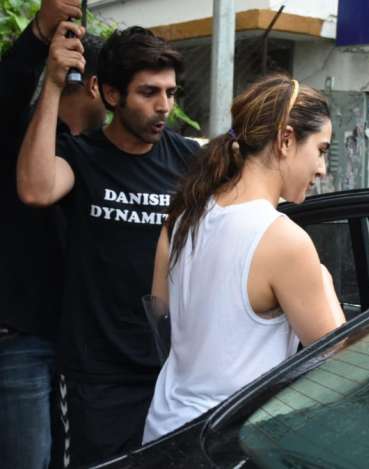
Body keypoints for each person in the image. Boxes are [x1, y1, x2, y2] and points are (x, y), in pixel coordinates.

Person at [17, 24, 199, 466]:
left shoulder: (189, 160)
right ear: (110, 94)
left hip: (171, 370)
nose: (164, 107)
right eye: (148, 92)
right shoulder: (83, 156)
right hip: (95, 375)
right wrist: (55, 88)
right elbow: (36, 189)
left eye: (171, 93)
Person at [142, 75, 346, 443]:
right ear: (285, 139)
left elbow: (160, 312)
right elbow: (340, 363)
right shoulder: (282, 239)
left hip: (162, 432)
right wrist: (324, 280)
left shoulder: (181, 218)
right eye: (321, 149)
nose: (322, 169)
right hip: (228, 445)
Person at [0, 2, 104, 468]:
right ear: (98, 86)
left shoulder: (104, 155)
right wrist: (41, 35)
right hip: (19, 340)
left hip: (76, 346)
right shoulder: (23, 139)